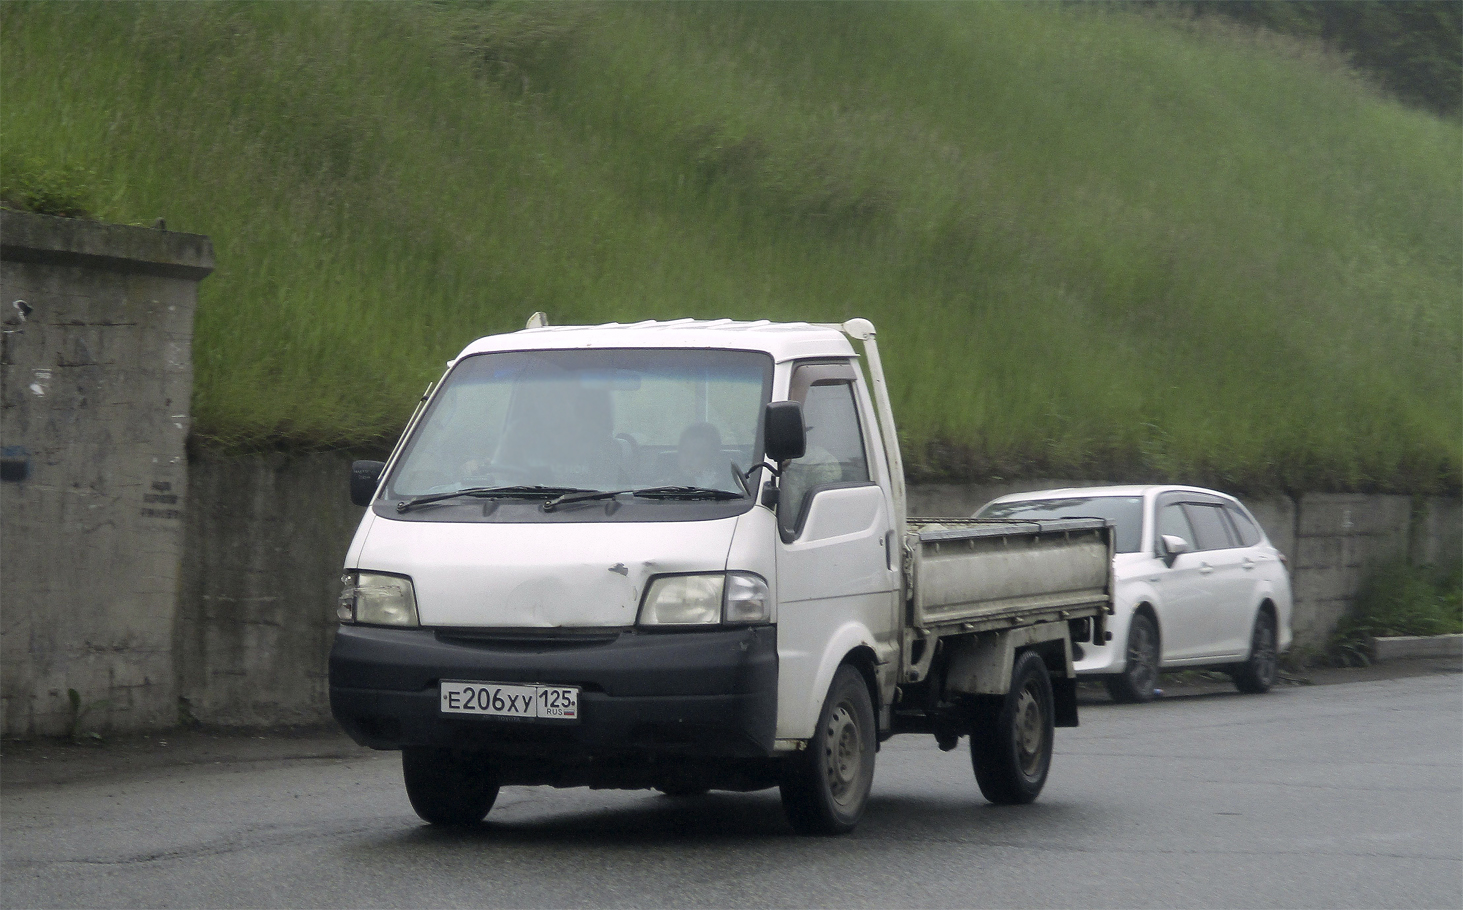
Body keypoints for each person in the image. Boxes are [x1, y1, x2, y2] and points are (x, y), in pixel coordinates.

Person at [675, 422, 729, 489]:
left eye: (698, 454)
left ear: (713, 458)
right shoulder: (665, 486)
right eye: (685, 452)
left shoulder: (723, 488)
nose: (689, 459)